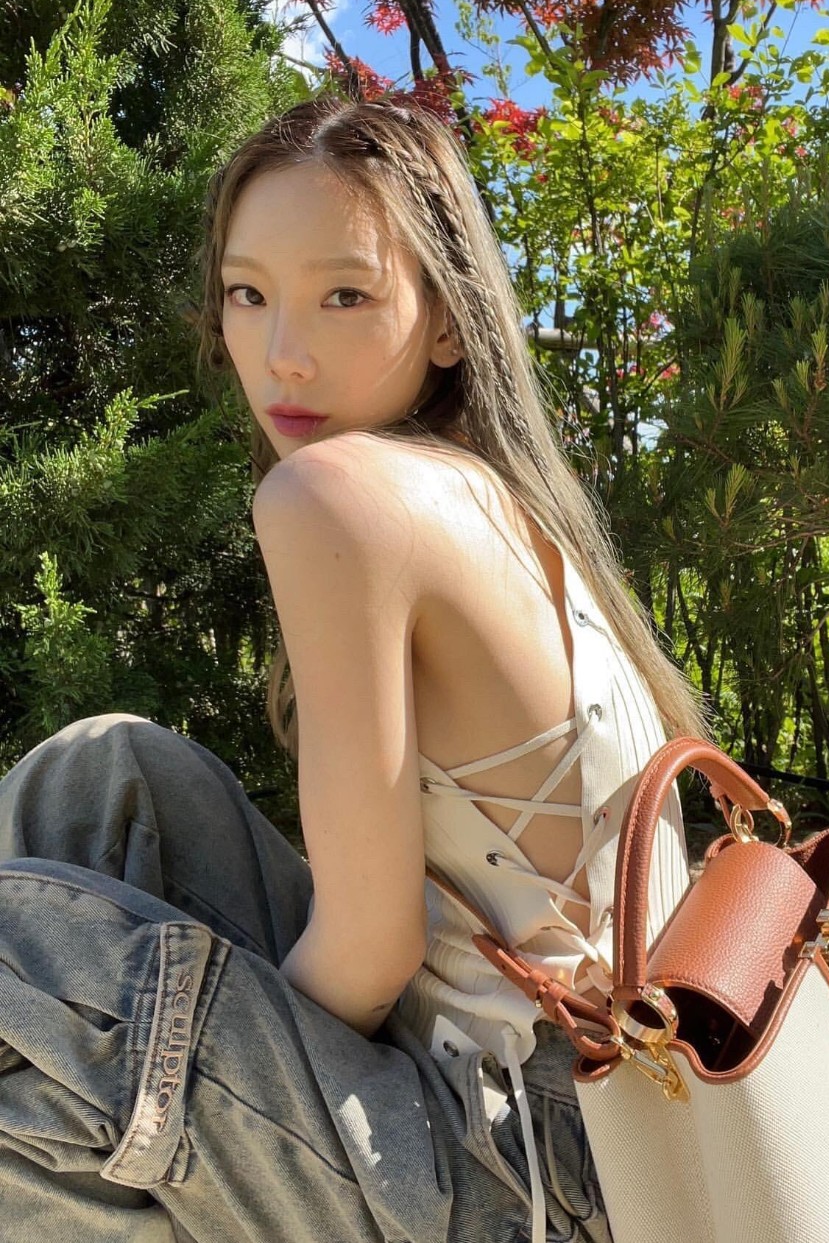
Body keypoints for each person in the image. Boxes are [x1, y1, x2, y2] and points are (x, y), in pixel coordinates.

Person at [0, 94, 708, 1242]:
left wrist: (203, 1109)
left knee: (25, 987)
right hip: (599, 1110)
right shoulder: (494, 491)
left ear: (446, 320)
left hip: (525, 1170)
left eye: (345, 295)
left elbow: (371, 954)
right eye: (248, 294)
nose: (282, 352)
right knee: (102, 775)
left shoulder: (335, 495)